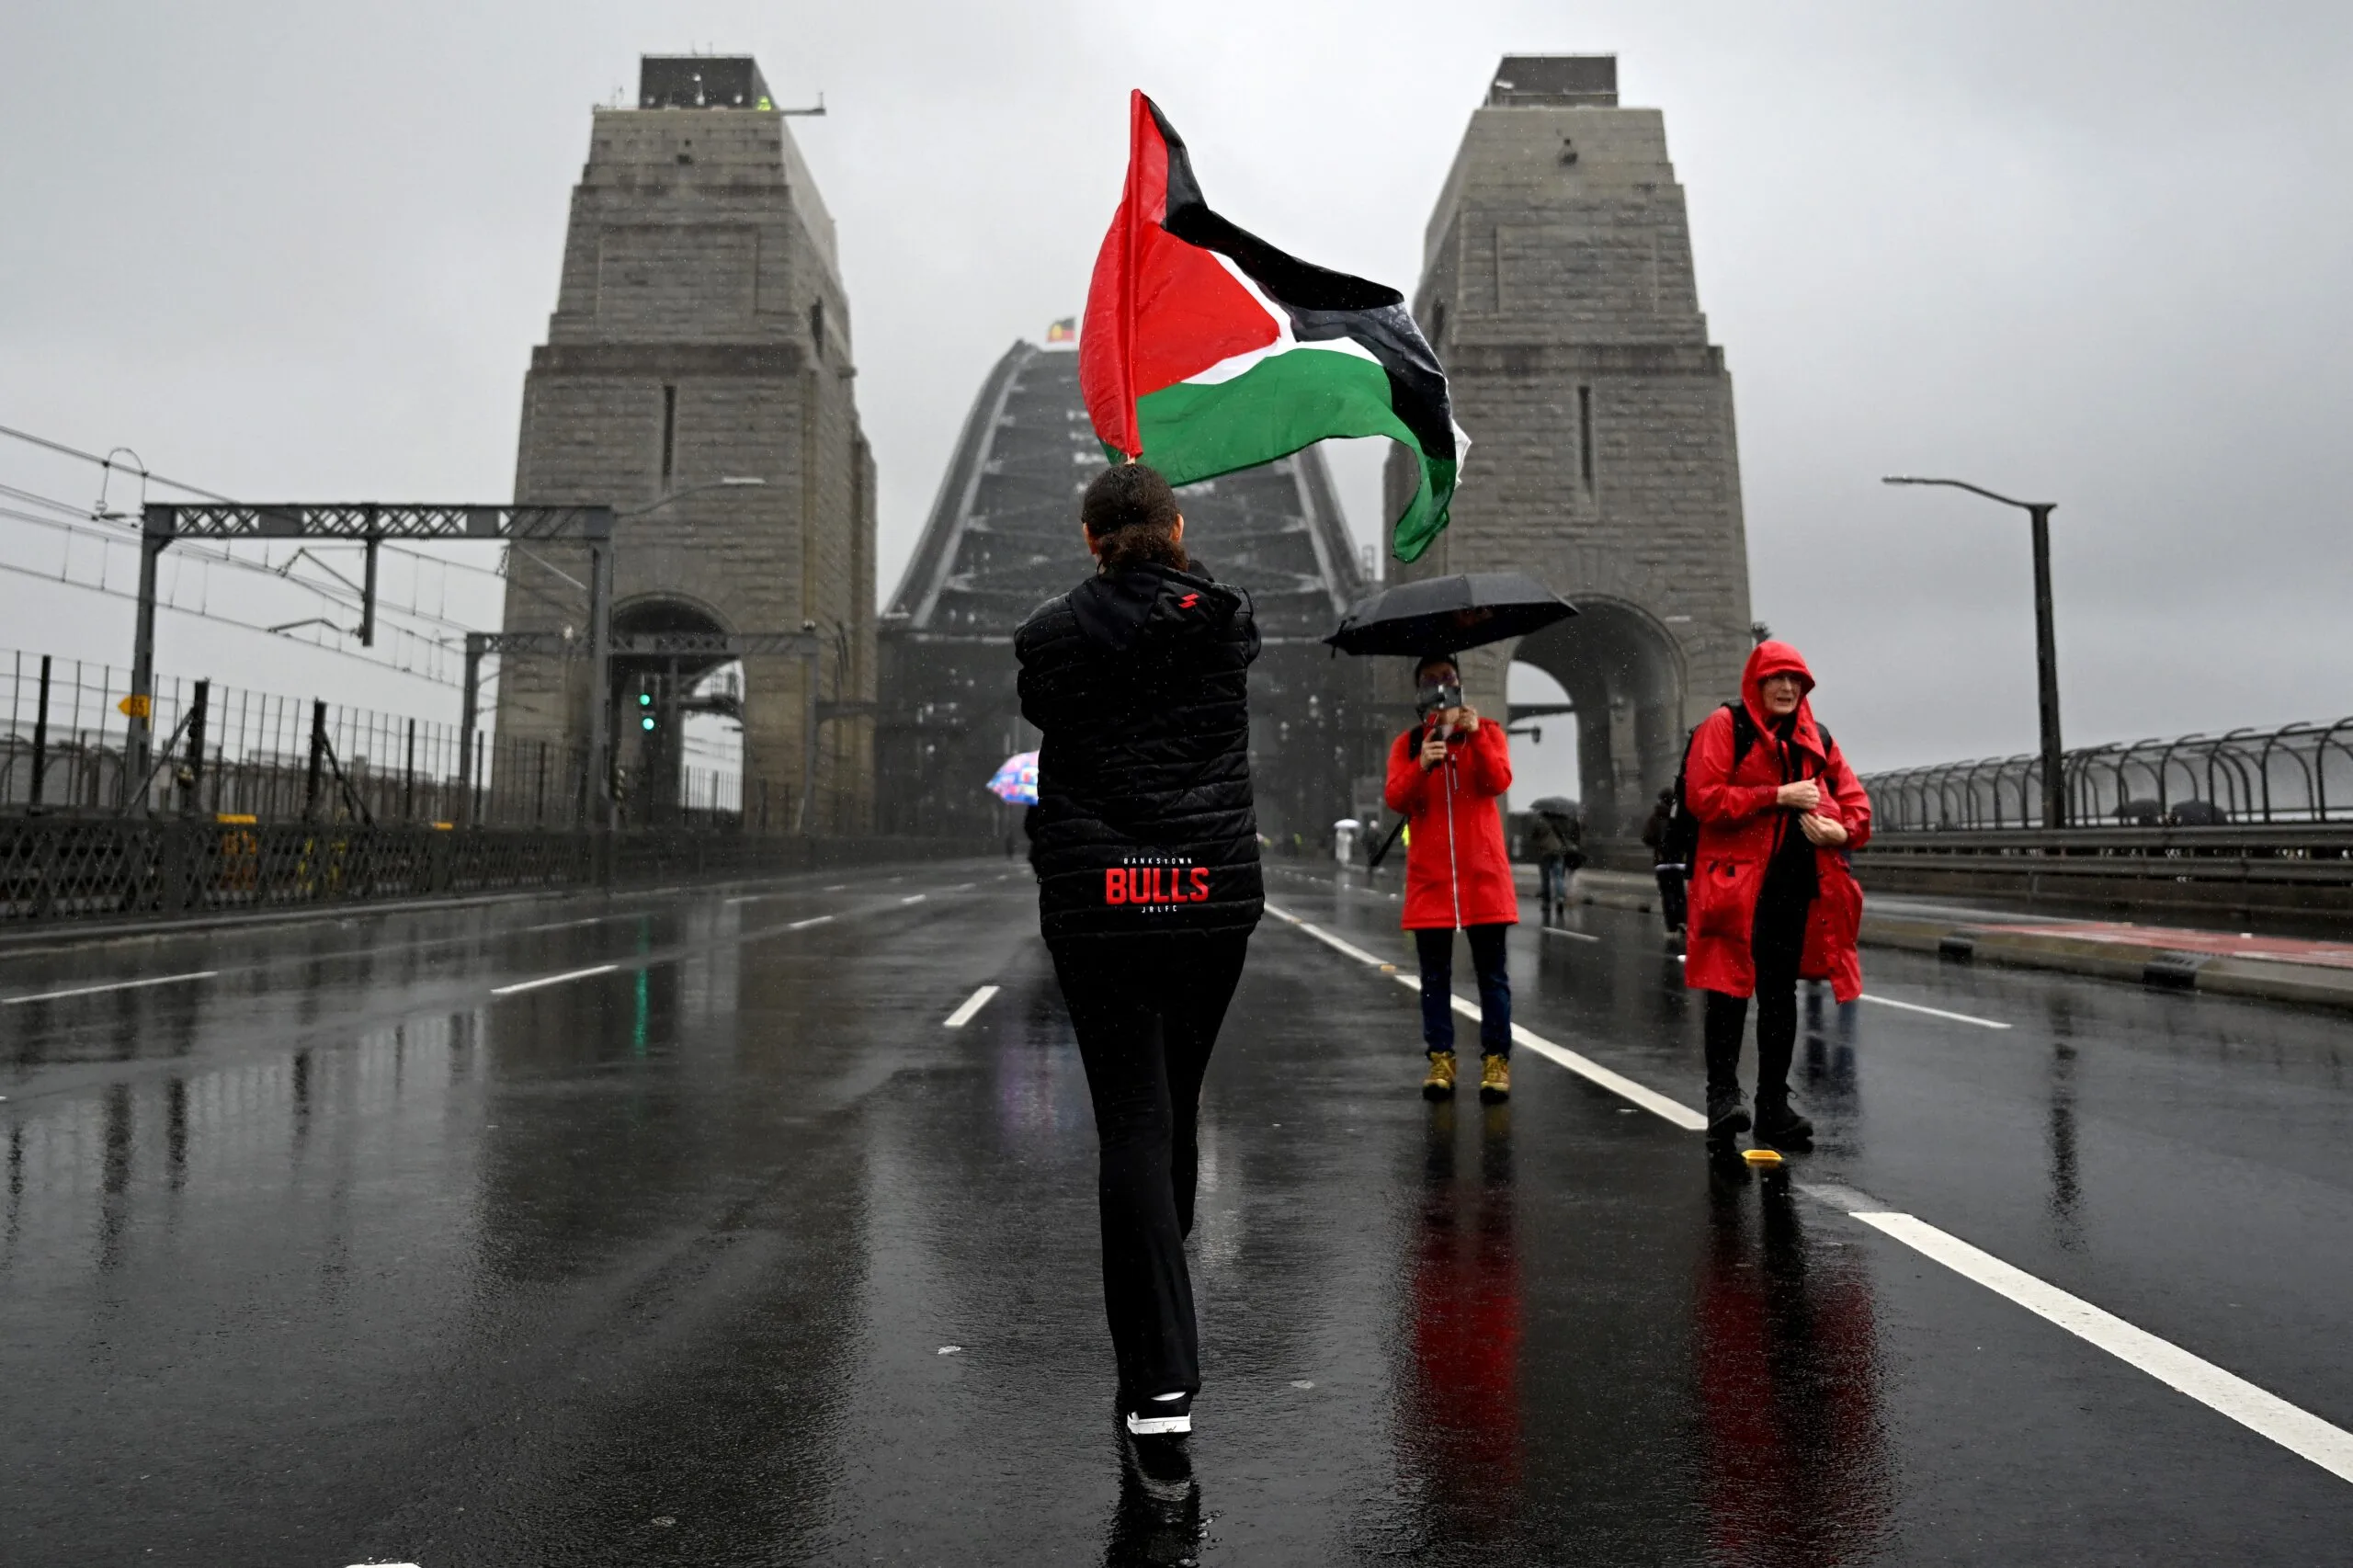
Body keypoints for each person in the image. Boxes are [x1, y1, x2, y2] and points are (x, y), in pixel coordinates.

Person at [1017, 462, 1261, 1446]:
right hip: (1206, 895)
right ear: (1177, 525)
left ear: (1086, 538)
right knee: (1174, 1106)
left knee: (1132, 1118)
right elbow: (1196, 617)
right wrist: (1176, 571)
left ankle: (1158, 1379)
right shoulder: (1225, 623)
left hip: (1104, 900)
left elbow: (1054, 699)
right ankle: (1164, 1258)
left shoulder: (1047, 637)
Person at [1682, 641, 1870, 1150]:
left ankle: (1772, 1106)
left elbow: (1855, 804)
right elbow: (1703, 797)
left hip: (1792, 887)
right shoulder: (1725, 726)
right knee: (1726, 992)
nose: (1787, 688)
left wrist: (1842, 832)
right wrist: (1777, 796)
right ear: (1756, 682)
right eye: (1776, 679)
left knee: (1779, 995)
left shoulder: (1817, 737)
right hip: (1734, 885)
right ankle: (1723, 1098)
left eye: (1797, 681)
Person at [1384, 653, 1518, 1103]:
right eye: (1430, 681)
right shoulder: (1407, 746)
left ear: (1461, 685)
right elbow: (1396, 799)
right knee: (1434, 978)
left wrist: (1475, 736)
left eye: (1448, 679)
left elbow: (1498, 782)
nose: (1441, 687)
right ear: (1418, 693)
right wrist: (1422, 763)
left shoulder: (1489, 733)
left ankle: (1496, 1062)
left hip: (1483, 877)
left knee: (1493, 977)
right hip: (1432, 881)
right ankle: (1441, 1058)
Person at [1640, 786, 1688, 940]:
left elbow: (1646, 837)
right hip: (1678, 862)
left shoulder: (1654, 818)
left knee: (1667, 894)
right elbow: (1687, 836)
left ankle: (1671, 927)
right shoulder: (1678, 816)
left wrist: (1659, 844)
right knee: (1680, 894)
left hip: (1662, 862)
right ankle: (1683, 921)